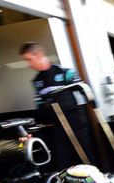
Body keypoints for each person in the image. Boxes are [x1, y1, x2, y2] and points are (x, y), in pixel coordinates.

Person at [20, 42, 97, 170]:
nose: (28, 64)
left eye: (29, 59)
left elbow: (84, 92)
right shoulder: (37, 81)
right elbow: (39, 106)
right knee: (63, 160)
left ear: (38, 55)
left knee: (85, 156)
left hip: (76, 122)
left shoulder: (66, 72)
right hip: (57, 126)